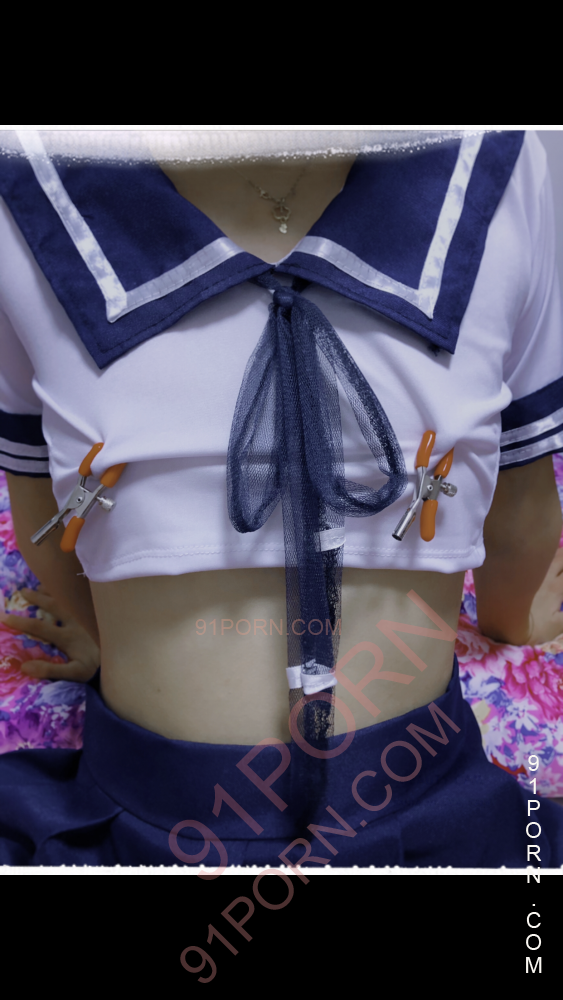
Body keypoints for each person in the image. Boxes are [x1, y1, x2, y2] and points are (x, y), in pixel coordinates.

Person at [0, 128, 562, 869]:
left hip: (434, 815)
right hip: (140, 823)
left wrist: (522, 619)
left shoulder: (499, 165)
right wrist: (112, 634)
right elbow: (520, 510)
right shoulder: (26, 191)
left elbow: (521, 512)